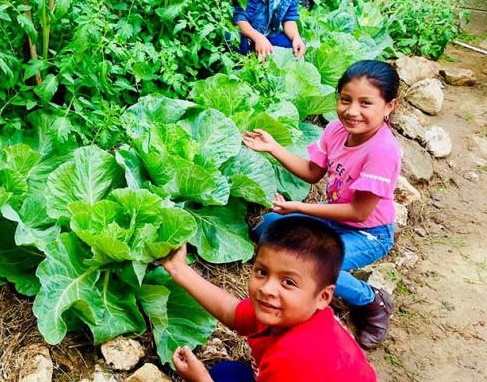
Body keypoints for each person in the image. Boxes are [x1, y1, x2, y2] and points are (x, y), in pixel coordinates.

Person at [243, 60, 401, 349]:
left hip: (368, 232)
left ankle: (373, 301)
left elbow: (359, 211)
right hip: (333, 221)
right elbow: (313, 172)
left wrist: (300, 208)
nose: (352, 111)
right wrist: (273, 148)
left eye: (366, 103)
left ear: (389, 106)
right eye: (345, 100)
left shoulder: (382, 151)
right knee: (267, 228)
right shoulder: (336, 131)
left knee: (324, 270)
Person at [163, 217, 376, 381]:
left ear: (323, 297)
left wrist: (201, 379)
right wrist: (178, 269)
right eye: (262, 272)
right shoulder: (288, 311)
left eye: (289, 282)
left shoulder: (294, 359)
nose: (267, 288)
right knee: (227, 373)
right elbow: (233, 313)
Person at [233, 0, 306, 60]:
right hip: (248, 34)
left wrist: (296, 37)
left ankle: (263, 61)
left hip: (269, 35)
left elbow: (289, 18)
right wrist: (258, 38)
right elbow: (240, 18)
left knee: (292, 47)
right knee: (233, 38)